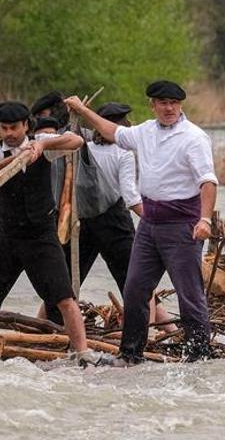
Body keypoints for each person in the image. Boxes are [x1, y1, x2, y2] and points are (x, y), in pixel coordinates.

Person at [65, 80, 218, 364]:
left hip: (182, 224)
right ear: (153, 105)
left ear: (180, 105)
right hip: (149, 225)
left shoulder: (193, 137)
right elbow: (112, 131)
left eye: (173, 103)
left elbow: (208, 182)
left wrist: (205, 219)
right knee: (134, 289)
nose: (169, 108)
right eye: (163, 103)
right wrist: (82, 110)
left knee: (190, 294)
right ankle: (131, 354)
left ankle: (199, 357)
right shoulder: (144, 131)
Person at [0, 101, 95, 362]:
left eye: (14, 127)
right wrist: (15, 158)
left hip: (41, 236)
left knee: (65, 298)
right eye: (3, 128)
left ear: (26, 125)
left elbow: (76, 142)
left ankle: (82, 353)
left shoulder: (41, 142)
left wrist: (43, 145)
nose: (9, 133)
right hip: (7, 236)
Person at [43, 102, 143, 324]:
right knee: (134, 281)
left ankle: (46, 327)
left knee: (63, 283)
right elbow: (130, 196)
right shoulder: (124, 152)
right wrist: (153, 218)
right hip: (114, 223)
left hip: (81, 221)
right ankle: (155, 330)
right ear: (122, 125)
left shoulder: (82, 146)